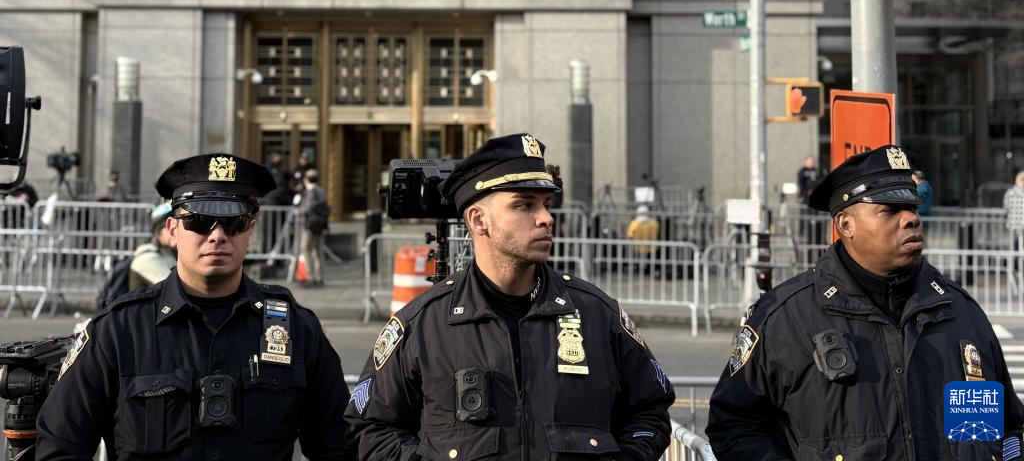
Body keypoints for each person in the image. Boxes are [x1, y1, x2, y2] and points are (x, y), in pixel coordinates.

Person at [345, 133, 674, 461]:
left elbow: (650, 411)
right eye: (524, 205)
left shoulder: (596, 313)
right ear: (479, 220)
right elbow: (371, 427)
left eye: (546, 204)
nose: (546, 218)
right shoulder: (423, 324)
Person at [706, 145, 1024, 461]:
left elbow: (1006, 429)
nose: (911, 218)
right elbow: (734, 427)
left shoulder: (960, 312)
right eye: (890, 210)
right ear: (846, 225)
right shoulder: (785, 318)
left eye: (912, 206)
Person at [37, 153, 352, 461]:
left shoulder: (296, 328)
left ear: (250, 231)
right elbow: (60, 445)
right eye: (199, 222)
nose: (217, 235)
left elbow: (338, 446)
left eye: (234, 222)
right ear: (173, 230)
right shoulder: (119, 330)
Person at [128, 201, 178, 291]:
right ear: (158, 231)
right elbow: (174, 288)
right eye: (170, 226)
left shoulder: (168, 252)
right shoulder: (147, 258)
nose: (175, 231)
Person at [297, 167, 329, 287]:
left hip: (310, 224)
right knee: (318, 251)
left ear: (306, 180)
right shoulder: (322, 191)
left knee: (306, 249)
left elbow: (307, 208)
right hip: (320, 224)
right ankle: (320, 277)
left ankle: (311, 277)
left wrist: (298, 211)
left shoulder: (311, 192)